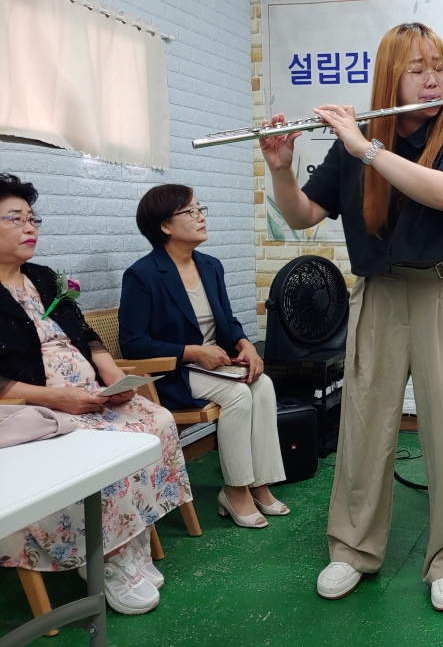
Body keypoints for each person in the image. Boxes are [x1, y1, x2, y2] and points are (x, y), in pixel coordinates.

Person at [260, 22, 443, 612]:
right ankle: (353, 550)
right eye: (418, 68)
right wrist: (281, 168)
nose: (433, 77)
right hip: (380, 294)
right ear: (390, 76)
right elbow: (304, 215)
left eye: (440, 66)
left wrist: (366, 148)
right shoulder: (354, 144)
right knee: (363, 425)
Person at [0, 173, 190, 616]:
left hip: (89, 396)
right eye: (15, 218)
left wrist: (113, 379)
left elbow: (85, 335)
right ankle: (105, 558)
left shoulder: (43, 278)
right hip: (37, 411)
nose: (30, 227)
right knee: (112, 449)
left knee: (156, 421)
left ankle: (131, 542)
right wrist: (56, 398)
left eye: (32, 218)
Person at [119, 185, 288, 529]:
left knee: (264, 385)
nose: (201, 217)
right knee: (239, 394)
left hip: (216, 368)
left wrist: (244, 343)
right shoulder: (143, 275)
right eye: (191, 212)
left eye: (200, 209)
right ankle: (235, 490)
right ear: (165, 226)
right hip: (175, 374)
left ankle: (260, 483)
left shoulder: (211, 266)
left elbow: (227, 320)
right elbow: (133, 344)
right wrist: (191, 352)